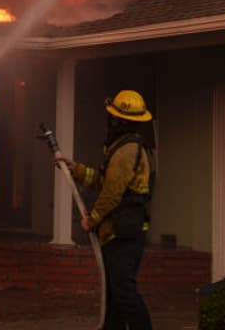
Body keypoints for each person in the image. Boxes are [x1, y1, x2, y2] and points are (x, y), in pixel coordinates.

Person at [57, 89, 156, 330]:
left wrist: (92, 219)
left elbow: (111, 194)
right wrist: (76, 169)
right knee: (114, 295)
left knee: (123, 292)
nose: (110, 122)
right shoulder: (121, 148)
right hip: (119, 231)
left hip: (124, 233)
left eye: (113, 118)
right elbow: (103, 181)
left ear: (120, 120)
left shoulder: (126, 151)